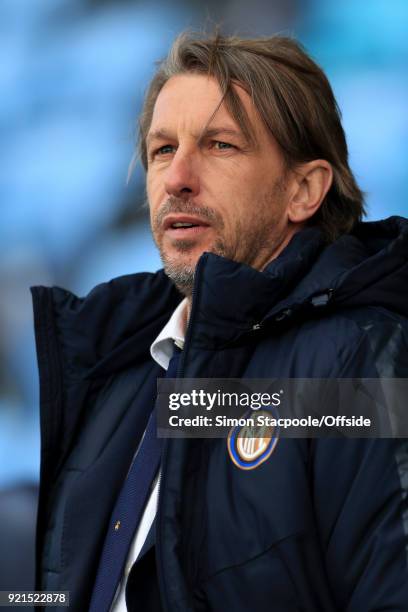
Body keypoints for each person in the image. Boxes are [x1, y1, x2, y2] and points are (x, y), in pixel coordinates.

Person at [31, 32, 408, 611]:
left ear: (304, 190)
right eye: (162, 150)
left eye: (220, 145)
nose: (177, 177)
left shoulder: (362, 362)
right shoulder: (117, 370)